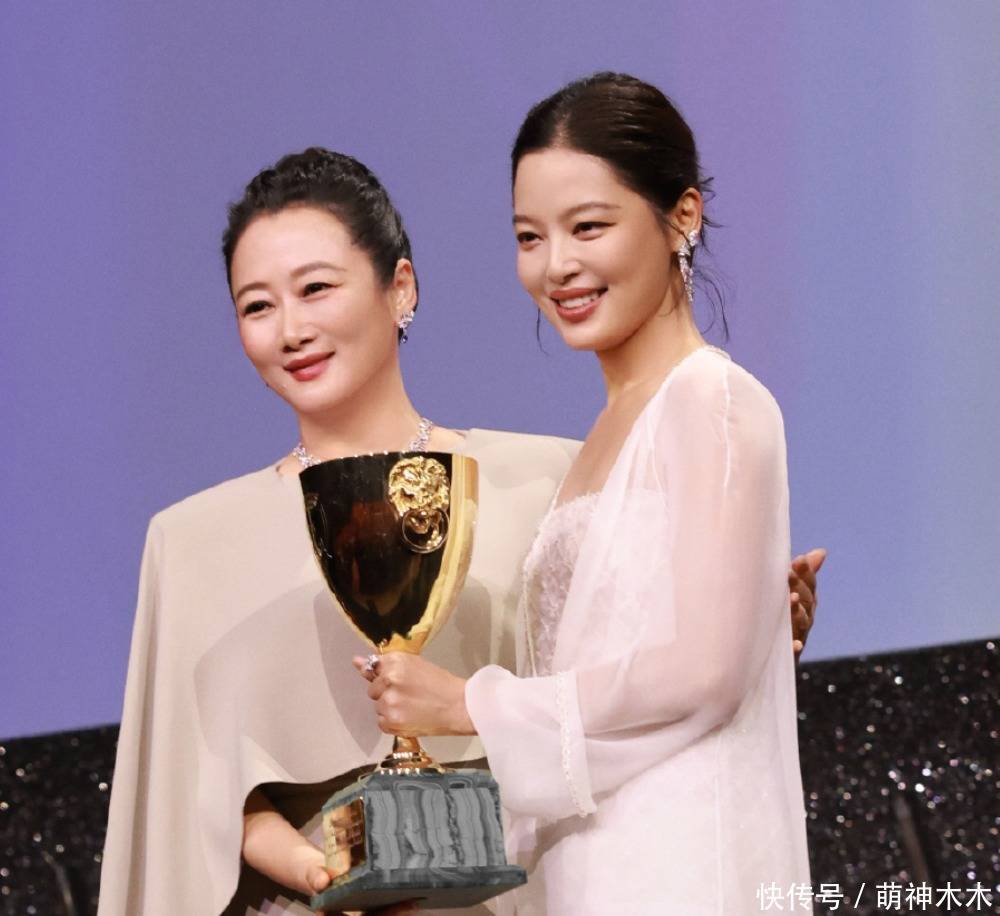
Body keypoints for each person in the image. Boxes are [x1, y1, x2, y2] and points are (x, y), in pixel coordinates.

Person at [98, 146, 823, 915]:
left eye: (315, 289)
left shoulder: (546, 481)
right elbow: (191, 794)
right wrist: (327, 870)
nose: (292, 329)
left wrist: (747, 630)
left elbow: (643, 688)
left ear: (400, 288)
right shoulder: (191, 543)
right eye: (257, 307)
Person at [356, 73, 815, 914]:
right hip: (592, 864)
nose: (556, 265)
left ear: (683, 216)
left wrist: (468, 703)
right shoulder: (607, 432)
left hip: (681, 867)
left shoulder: (712, 400)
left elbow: (703, 673)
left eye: (589, 226)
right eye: (530, 237)